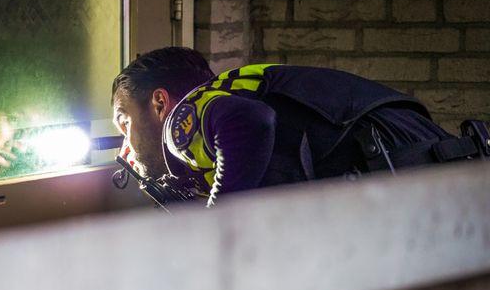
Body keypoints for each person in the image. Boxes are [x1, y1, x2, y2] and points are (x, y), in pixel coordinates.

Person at [111, 47, 466, 206]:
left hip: (402, 165)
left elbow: (249, 122)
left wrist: (217, 226)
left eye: (124, 121)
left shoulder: (185, 117)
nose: (124, 144)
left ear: (160, 103)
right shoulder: (228, 97)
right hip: (430, 161)